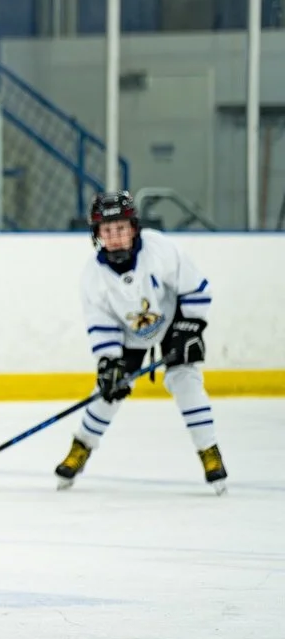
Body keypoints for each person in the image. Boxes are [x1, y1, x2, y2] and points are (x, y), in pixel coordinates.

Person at [54, 190, 226, 494]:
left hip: (174, 321)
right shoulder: (93, 277)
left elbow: (194, 286)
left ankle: (209, 451)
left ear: (134, 228)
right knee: (107, 393)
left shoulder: (159, 249)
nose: (116, 237)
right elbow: (101, 324)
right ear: (97, 235)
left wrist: (190, 327)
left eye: (121, 228)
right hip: (127, 335)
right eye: (108, 230)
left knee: (186, 381)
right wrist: (109, 361)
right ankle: (81, 447)